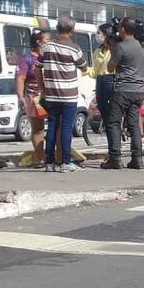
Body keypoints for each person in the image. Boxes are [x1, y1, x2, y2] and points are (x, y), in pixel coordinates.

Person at [38, 16, 89, 173]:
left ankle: (50, 162)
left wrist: (43, 89)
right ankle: (66, 161)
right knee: (66, 127)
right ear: (72, 30)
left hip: (51, 94)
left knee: (52, 126)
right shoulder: (74, 48)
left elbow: (37, 67)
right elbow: (84, 67)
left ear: (57, 28)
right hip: (69, 95)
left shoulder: (47, 47)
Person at [102, 18, 144, 170]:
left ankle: (115, 158)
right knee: (133, 124)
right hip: (139, 91)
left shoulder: (120, 47)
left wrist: (112, 49)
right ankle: (137, 158)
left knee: (113, 123)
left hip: (123, 90)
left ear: (123, 29)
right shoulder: (140, 46)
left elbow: (110, 68)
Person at [13, 29, 48, 167]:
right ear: (39, 41)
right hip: (34, 98)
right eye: (46, 39)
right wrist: (20, 97)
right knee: (38, 128)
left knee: (58, 127)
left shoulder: (50, 56)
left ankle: (58, 156)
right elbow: (20, 78)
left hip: (53, 96)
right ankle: (41, 159)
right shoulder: (26, 59)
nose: (49, 42)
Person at [91, 22, 116, 145]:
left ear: (106, 34)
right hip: (100, 80)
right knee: (103, 111)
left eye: (99, 33)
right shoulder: (97, 51)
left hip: (110, 80)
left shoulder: (114, 48)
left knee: (112, 115)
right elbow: (94, 70)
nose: (97, 36)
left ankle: (114, 146)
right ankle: (111, 145)